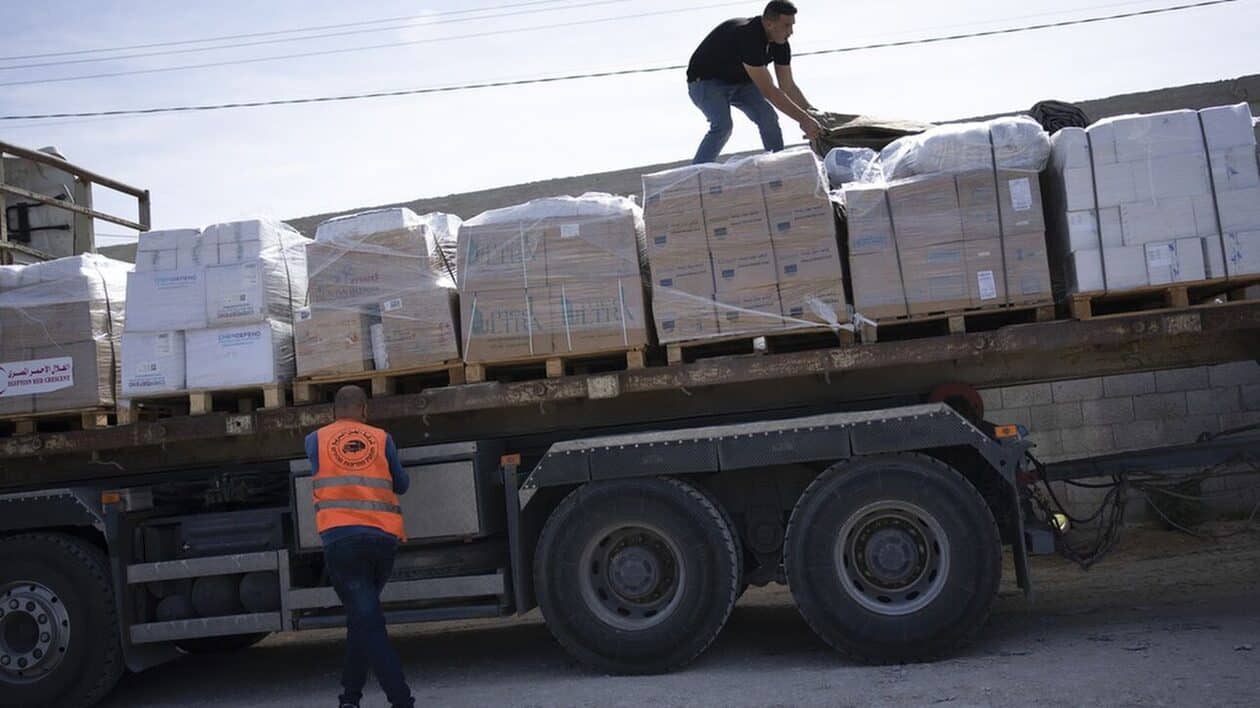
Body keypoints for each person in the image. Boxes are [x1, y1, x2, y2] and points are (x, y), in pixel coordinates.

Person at [306, 385, 414, 708]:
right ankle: (349, 698)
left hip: (342, 542)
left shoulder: (315, 440)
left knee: (368, 622)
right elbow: (402, 485)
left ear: (333, 412)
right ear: (364, 410)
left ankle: (402, 702)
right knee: (362, 619)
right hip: (382, 541)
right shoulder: (381, 438)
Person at [686, 1, 823, 164]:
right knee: (722, 125)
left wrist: (813, 115)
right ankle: (697, 173)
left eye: (792, 25)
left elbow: (788, 86)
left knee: (768, 118)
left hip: (742, 82)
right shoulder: (748, 36)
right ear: (769, 24)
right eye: (786, 26)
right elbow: (769, 91)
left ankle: (779, 167)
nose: (791, 32)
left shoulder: (781, 43)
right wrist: (804, 120)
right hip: (706, 81)